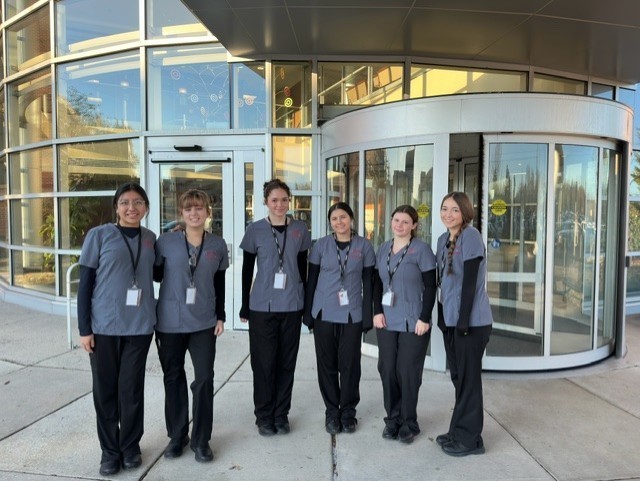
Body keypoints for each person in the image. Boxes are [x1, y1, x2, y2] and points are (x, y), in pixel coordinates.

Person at [77, 182, 156, 476]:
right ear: (117, 207)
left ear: (146, 208)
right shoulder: (98, 236)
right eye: (125, 202)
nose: (131, 208)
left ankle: (130, 446)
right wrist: (85, 328)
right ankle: (110, 452)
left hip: (140, 327)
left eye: (137, 202)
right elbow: (85, 286)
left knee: (131, 389)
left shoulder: (150, 238)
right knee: (106, 390)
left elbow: (158, 270)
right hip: (104, 327)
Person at [154, 189, 228, 463]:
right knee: (173, 378)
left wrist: (221, 315)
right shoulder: (165, 242)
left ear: (208, 213)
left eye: (199, 208)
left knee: (204, 379)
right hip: (169, 323)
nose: (194, 213)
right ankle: (177, 436)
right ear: (181, 213)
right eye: (188, 209)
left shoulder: (218, 245)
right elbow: (155, 274)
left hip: (204, 323)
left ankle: (201, 440)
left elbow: (219, 284)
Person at [239, 179, 312, 436]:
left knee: (286, 362)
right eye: (274, 200)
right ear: (265, 202)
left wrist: (307, 306)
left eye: (283, 200)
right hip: (262, 306)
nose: (279, 205)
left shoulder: (300, 229)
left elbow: (303, 269)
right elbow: (247, 270)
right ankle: (264, 415)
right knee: (263, 363)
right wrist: (244, 306)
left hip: (292, 304)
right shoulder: (255, 230)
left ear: (289, 201)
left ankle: (281, 414)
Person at [304, 202, 375, 434]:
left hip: (352, 314)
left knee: (350, 365)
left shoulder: (364, 246)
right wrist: (308, 312)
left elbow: (368, 282)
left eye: (343, 217)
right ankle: (332, 412)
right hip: (324, 312)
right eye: (334, 219)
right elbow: (311, 279)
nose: (339, 222)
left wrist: (367, 315)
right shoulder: (321, 246)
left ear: (351, 219)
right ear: (330, 223)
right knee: (327, 364)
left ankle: (348, 413)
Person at [372, 205, 436, 444]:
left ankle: (409, 422)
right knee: (387, 370)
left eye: (405, 221)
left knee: (408, 372)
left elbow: (431, 286)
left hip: (413, 320)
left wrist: (425, 318)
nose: (399, 225)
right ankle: (393, 419)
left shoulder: (422, 250)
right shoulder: (383, 248)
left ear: (414, 225)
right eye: (396, 220)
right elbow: (377, 282)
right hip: (387, 319)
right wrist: (376, 311)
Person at [436, 191, 493, 457]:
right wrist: (442, 318)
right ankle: (460, 430)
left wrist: (462, 321)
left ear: (465, 213)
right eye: (445, 209)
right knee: (459, 379)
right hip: (451, 321)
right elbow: (442, 283)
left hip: (471, 322)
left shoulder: (471, 236)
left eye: (455, 210)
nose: (449, 214)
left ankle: (469, 440)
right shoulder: (441, 240)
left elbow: (470, 282)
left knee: (469, 381)